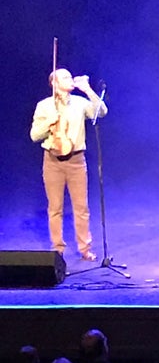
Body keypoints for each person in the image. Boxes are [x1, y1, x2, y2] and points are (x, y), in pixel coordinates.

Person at [30, 68, 107, 261]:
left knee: (81, 207)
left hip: (76, 160)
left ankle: (85, 248)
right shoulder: (44, 106)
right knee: (55, 207)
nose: (70, 79)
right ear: (54, 84)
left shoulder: (80, 103)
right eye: (65, 77)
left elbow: (101, 112)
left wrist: (88, 90)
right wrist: (49, 122)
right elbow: (34, 135)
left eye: (70, 76)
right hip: (53, 160)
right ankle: (58, 248)